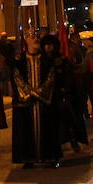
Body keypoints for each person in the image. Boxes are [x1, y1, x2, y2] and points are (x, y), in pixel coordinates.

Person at [11, 34, 61, 168]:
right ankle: (28, 158)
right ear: (26, 40)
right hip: (26, 102)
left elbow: (51, 77)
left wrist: (39, 93)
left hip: (44, 101)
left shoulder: (47, 59)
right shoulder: (19, 60)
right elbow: (17, 77)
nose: (36, 39)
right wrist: (28, 93)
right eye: (32, 37)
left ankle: (49, 156)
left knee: (47, 127)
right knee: (26, 129)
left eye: (36, 36)